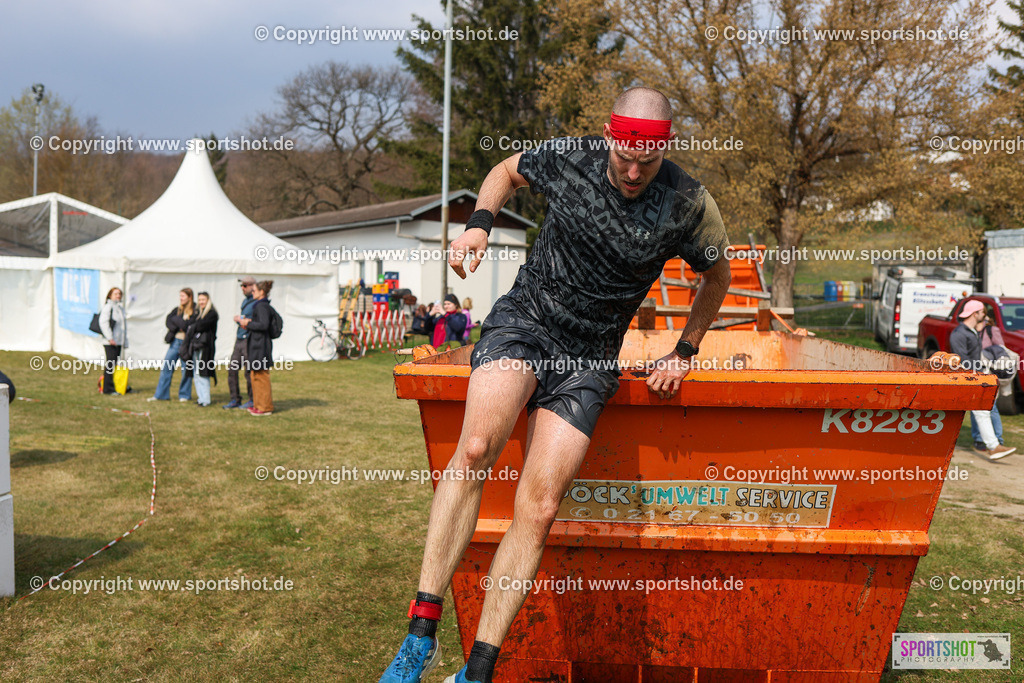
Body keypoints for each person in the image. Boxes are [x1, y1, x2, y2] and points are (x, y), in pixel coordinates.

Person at [379, 87, 732, 683]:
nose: (632, 170)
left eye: (647, 161)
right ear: (607, 134)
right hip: (526, 321)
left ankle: (479, 668)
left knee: (539, 507)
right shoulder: (572, 157)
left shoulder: (690, 202)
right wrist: (479, 227)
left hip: (589, 358)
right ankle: (421, 633)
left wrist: (685, 349)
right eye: (624, 155)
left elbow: (717, 273)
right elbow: (504, 170)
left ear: (665, 149)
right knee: (472, 450)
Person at [950, 300, 1015, 460]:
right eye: (982, 313)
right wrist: (974, 376)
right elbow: (962, 359)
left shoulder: (969, 331)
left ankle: (994, 446)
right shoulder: (960, 333)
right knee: (981, 411)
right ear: (975, 313)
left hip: (975, 378)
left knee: (983, 411)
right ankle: (994, 446)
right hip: (970, 379)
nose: (984, 316)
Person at [149, 289, 196, 402]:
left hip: (187, 345)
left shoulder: (195, 310)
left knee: (186, 370)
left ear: (189, 297)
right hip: (175, 342)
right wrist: (179, 324)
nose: (181, 298)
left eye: (183, 296)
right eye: (180, 296)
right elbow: (169, 321)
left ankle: (184, 395)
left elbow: (188, 326)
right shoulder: (177, 310)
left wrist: (178, 322)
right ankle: (161, 395)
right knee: (166, 368)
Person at [240, 280, 276, 416]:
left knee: (261, 377)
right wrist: (249, 323)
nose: (252, 293)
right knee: (255, 375)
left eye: (254, 290)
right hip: (256, 344)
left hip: (261, 346)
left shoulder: (261, 306)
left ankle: (265, 407)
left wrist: (248, 323)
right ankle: (258, 404)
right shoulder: (260, 305)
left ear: (262, 292)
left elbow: (263, 325)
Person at [972, 312, 1006, 449]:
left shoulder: (992, 330)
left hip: (990, 372)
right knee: (975, 407)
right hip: (975, 371)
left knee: (991, 407)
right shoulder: (971, 331)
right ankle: (979, 439)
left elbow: (1000, 350)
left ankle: (997, 439)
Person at [224, 276, 257, 409]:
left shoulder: (257, 302)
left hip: (248, 340)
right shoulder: (245, 301)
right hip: (239, 339)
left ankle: (252, 399)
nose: (242, 288)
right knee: (232, 370)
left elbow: (256, 321)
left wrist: (243, 320)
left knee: (248, 372)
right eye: (241, 286)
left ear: (253, 286)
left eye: (245, 285)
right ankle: (235, 399)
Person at [184, 292, 219, 407]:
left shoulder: (212, 314)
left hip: (205, 347)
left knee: (202, 372)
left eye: (203, 299)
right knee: (196, 372)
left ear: (208, 300)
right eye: (199, 300)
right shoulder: (198, 313)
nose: (201, 302)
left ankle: (205, 399)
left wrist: (193, 326)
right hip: (196, 347)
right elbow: (190, 324)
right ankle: (201, 398)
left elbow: (199, 326)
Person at [99, 287, 128, 395]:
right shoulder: (108, 307)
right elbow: (103, 323)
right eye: (115, 294)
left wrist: (124, 341)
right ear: (110, 295)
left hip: (118, 341)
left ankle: (115, 384)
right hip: (110, 342)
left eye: (119, 294)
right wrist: (110, 337)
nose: (118, 296)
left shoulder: (120, 308)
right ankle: (107, 389)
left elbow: (123, 327)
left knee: (114, 363)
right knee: (110, 364)